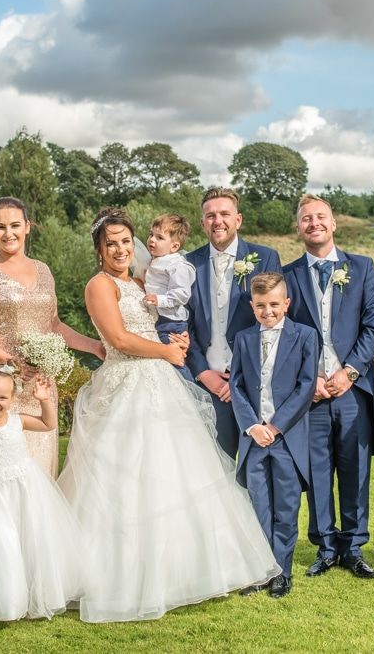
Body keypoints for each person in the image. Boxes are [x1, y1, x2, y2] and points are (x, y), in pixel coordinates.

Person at [58, 208, 280, 623]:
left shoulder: (141, 281)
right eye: (112, 243)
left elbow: (164, 319)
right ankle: (120, 577)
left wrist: (175, 338)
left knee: (174, 472)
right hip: (125, 385)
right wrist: (167, 351)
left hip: (160, 382)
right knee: (123, 478)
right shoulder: (99, 285)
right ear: (100, 249)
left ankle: (179, 573)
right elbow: (119, 338)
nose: (122, 249)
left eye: (127, 241)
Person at [0, 196, 104, 479]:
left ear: (27, 227)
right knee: (2, 473)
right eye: (0, 227)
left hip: (39, 385)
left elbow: (54, 324)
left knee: (38, 472)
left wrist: (94, 346)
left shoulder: (44, 270)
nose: (8, 233)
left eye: (14, 225)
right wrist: (9, 362)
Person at [283, 194, 374, 580]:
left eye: (320, 217)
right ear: (298, 227)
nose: (314, 223)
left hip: (352, 391)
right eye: (306, 219)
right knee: (318, 469)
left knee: (355, 468)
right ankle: (325, 547)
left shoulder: (363, 268)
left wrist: (350, 371)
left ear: (334, 223)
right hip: (311, 395)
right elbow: (286, 334)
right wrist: (311, 383)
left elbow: (373, 326)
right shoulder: (287, 275)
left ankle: (354, 547)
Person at [0, 362, 83, 625]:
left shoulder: (18, 421)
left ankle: (35, 592)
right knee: (2, 543)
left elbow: (48, 424)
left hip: (25, 488)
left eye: (2, 397)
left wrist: (44, 400)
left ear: (12, 398)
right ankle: (6, 601)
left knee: (30, 538)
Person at [230, 273, 317, 599]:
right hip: (253, 440)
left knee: (286, 509)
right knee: (258, 508)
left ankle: (282, 572)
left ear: (287, 304)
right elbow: (236, 385)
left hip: (286, 440)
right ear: (252, 306)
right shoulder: (243, 339)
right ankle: (260, 571)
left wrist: (275, 426)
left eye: (275, 305)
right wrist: (252, 425)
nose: (268, 311)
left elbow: (305, 386)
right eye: (261, 305)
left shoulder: (305, 336)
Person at [186, 187, 281, 459]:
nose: (218, 221)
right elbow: (184, 326)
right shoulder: (188, 264)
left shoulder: (266, 258)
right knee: (212, 471)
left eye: (225, 214)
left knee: (256, 477)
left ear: (238, 219)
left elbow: (273, 320)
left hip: (254, 387)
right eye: (211, 215)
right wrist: (203, 373)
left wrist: (241, 377)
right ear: (203, 222)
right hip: (208, 388)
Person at [142, 213, 196, 380]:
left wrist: (160, 299)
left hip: (171, 322)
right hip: (160, 319)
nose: (152, 240)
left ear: (174, 246)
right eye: (151, 234)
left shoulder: (177, 265)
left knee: (174, 359)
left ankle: (189, 389)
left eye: (159, 237)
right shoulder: (157, 259)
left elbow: (182, 293)